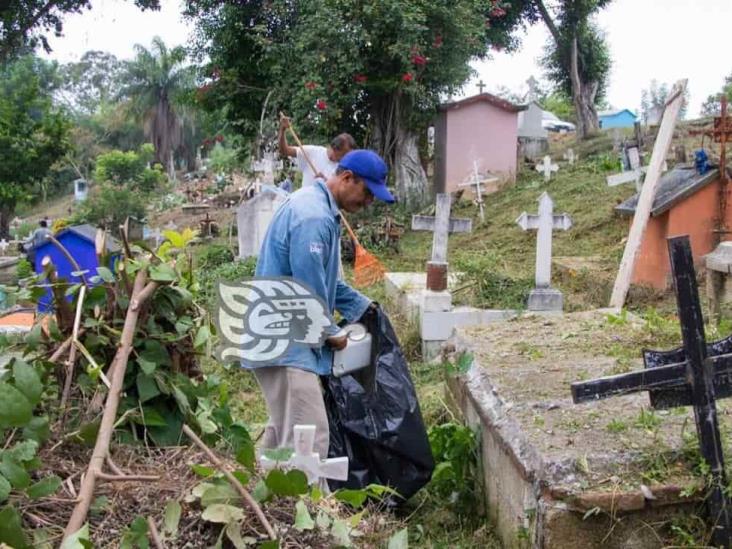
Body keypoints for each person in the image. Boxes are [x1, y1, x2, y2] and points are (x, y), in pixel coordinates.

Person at [241, 149, 395, 459]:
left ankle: (260, 500)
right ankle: (306, 507)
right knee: (309, 440)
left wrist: (365, 308)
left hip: (285, 339)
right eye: (367, 193)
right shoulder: (312, 217)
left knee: (285, 432)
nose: (368, 203)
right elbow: (307, 289)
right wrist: (332, 332)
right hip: (285, 342)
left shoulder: (322, 211)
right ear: (347, 178)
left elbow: (329, 283)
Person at [278, 115, 356, 188]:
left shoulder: (343, 169)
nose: (347, 158)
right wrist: (282, 129)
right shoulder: (313, 152)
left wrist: (326, 183)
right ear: (336, 149)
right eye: (345, 154)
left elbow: (342, 193)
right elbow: (284, 151)